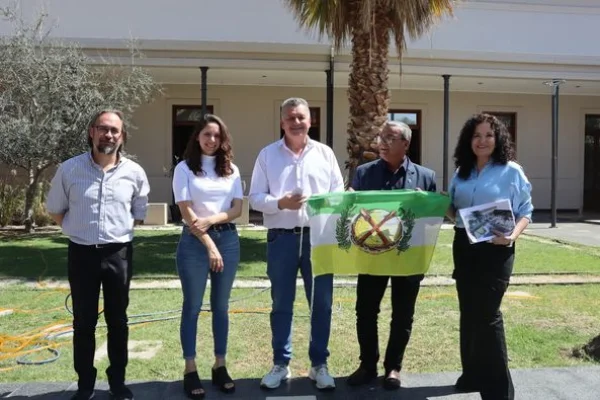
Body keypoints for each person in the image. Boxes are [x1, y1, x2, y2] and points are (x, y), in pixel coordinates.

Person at [46, 110, 150, 400]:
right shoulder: (69, 170)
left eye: (115, 130)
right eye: (103, 129)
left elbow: (139, 210)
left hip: (119, 254)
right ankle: (85, 386)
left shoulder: (134, 172)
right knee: (83, 322)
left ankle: (117, 383)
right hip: (82, 254)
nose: (109, 135)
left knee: (118, 320)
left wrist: (121, 229)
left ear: (122, 136)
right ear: (91, 131)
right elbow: (55, 208)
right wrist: (74, 228)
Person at [249, 97, 344, 390]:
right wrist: (281, 203)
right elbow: (254, 198)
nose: (296, 122)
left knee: (321, 305)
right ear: (282, 122)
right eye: (290, 117)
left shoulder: (325, 154)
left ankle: (319, 365)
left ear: (310, 120)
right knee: (281, 304)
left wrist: (331, 202)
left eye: (301, 117)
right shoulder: (267, 155)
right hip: (282, 239)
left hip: (319, 240)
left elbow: (338, 193)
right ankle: (281, 363)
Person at [447, 113, 533, 400]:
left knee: (487, 316)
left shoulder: (511, 171)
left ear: (498, 139)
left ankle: (499, 392)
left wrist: (512, 236)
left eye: (488, 135)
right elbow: (454, 212)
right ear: (468, 140)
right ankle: (472, 374)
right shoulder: (462, 172)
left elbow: (526, 212)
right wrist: (433, 201)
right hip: (464, 247)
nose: (482, 141)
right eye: (476, 135)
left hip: (497, 249)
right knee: (469, 313)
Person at [346, 121, 436, 390]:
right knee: (365, 311)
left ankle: (393, 367)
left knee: (403, 314)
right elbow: (352, 213)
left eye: (390, 138)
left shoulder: (425, 176)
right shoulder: (363, 174)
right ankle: (367, 365)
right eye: (381, 137)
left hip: (408, 257)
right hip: (373, 254)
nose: (382, 142)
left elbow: (432, 221)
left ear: (405, 144)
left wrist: (428, 203)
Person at [172, 114, 243, 399]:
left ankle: (220, 365)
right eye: (206, 135)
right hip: (194, 243)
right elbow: (187, 212)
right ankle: (190, 369)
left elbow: (237, 209)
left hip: (228, 239)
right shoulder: (184, 169)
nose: (212, 140)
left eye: (217, 135)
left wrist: (212, 221)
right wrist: (209, 245)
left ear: (222, 139)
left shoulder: (231, 169)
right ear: (197, 137)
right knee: (192, 306)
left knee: (221, 307)